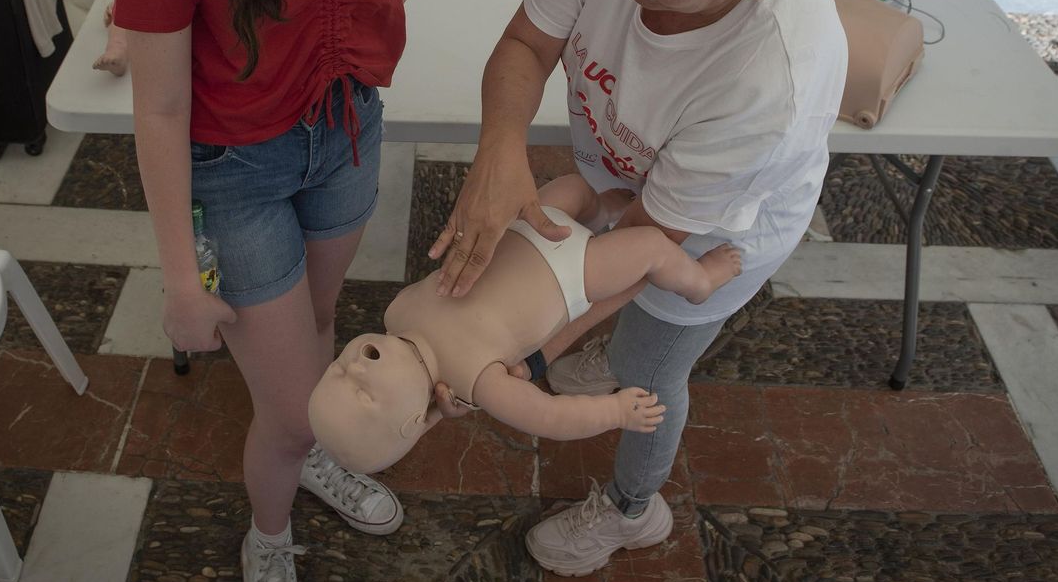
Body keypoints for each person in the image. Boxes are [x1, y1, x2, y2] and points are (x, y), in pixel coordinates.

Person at [427, 0, 846, 579]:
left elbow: (640, 252)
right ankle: (590, 359)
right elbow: (523, 42)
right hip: (623, 171)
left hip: (700, 236)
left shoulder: (769, 79)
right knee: (574, 277)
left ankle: (632, 508)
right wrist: (496, 151)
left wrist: (518, 359)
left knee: (649, 366)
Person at [101, 0, 450, 582]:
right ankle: (270, 534)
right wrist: (183, 280)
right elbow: (162, 103)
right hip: (236, 166)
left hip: (343, 133)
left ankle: (313, 458)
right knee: (294, 412)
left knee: (323, 334)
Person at [308, 174, 741, 474]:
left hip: (525, 232)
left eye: (338, 368)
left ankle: (601, 211)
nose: (356, 366)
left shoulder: (396, 316)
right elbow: (549, 416)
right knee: (650, 246)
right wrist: (612, 411)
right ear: (409, 421)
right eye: (363, 390)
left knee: (573, 188)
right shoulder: (476, 382)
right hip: (574, 272)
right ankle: (699, 281)